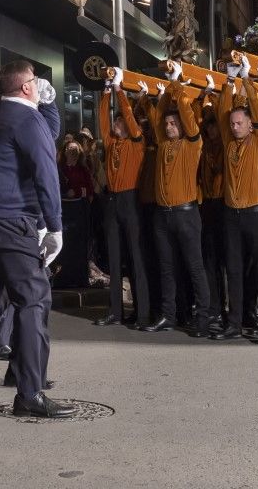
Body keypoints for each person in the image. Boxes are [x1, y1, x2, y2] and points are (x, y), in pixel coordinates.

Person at [0, 60, 72, 418]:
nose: (39, 85)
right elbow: (46, 171)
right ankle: (29, 391)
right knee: (35, 299)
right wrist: (54, 226)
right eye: (36, 80)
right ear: (26, 87)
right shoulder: (27, 119)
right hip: (12, 220)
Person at [141, 89, 211, 337]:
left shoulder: (192, 144)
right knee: (166, 267)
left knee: (195, 267)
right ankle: (168, 316)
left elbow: (190, 120)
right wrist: (156, 98)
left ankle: (203, 318)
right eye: (167, 124)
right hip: (163, 215)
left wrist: (178, 90)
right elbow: (155, 115)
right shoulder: (162, 145)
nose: (169, 127)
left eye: (173, 123)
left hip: (186, 215)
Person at [212, 78, 258, 343]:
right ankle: (234, 323)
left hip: (257, 215)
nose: (235, 127)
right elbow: (222, 109)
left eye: (240, 123)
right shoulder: (228, 143)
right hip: (232, 216)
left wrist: (247, 81)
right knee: (233, 271)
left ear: (251, 125)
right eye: (233, 123)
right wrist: (228, 83)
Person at [95, 81, 150, 328]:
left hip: (130, 200)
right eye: (117, 122)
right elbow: (103, 122)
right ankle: (115, 312)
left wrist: (120, 91)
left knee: (137, 258)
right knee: (114, 258)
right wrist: (106, 94)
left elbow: (128, 116)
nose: (117, 125)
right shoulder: (111, 143)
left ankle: (142, 314)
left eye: (121, 122)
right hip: (112, 201)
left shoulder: (136, 142)